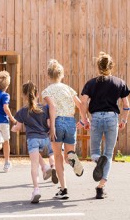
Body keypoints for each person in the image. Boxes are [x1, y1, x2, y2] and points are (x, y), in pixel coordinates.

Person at [78, 52, 130, 199]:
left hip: (96, 117)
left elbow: (83, 102)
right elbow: (126, 105)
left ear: (98, 67)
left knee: (94, 151)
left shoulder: (91, 83)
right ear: (111, 66)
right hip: (111, 118)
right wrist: (124, 120)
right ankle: (101, 188)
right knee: (108, 154)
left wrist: (84, 119)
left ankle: (97, 160)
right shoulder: (119, 82)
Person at [42, 59, 85, 200]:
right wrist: (84, 120)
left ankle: (63, 188)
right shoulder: (68, 89)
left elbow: (52, 109)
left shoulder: (47, 91)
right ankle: (73, 159)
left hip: (58, 122)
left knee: (58, 156)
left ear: (49, 75)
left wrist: (52, 127)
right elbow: (80, 105)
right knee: (68, 155)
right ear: (61, 75)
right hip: (70, 122)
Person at [12, 81, 56, 203]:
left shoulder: (22, 111)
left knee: (34, 166)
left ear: (24, 95)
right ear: (37, 94)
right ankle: (47, 166)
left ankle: (36, 189)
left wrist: (13, 128)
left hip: (33, 140)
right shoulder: (45, 108)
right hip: (45, 139)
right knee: (45, 157)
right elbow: (48, 123)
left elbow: (18, 127)